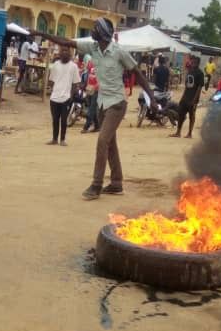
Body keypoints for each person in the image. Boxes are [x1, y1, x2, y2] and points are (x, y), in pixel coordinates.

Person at [33, 18, 155, 200]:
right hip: (102, 103)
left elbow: (138, 73)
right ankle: (116, 183)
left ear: (103, 33)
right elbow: (66, 41)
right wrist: (41, 33)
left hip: (117, 104)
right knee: (110, 144)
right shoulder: (92, 47)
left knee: (102, 141)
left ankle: (96, 185)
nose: (92, 30)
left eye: (95, 28)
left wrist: (151, 97)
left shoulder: (119, 52)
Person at [47, 45, 81, 146]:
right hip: (54, 98)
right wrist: (52, 90)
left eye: (67, 51)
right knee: (55, 120)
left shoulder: (73, 66)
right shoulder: (56, 65)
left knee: (64, 120)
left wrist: (71, 95)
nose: (65, 52)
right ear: (60, 53)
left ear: (70, 53)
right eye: (63, 51)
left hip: (66, 98)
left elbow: (75, 83)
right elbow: (51, 81)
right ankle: (54, 139)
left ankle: (62, 139)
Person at [171, 55, 204, 139]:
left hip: (192, 98)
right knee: (181, 114)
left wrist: (194, 100)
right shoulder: (190, 71)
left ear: (198, 63)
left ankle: (189, 133)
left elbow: (199, 87)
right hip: (185, 97)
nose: (193, 63)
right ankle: (178, 132)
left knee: (191, 115)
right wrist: (183, 96)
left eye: (194, 62)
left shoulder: (200, 73)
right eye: (192, 62)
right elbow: (187, 86)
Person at [81, 63, 100, 133]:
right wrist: (87, 89)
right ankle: (97, 126)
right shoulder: (91, 63)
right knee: (92, 108)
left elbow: (100, 81)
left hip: (97, 91)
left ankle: (86, 127)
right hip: (90, 89)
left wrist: (94, 88)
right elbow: (88, 76)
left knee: (91, 109)